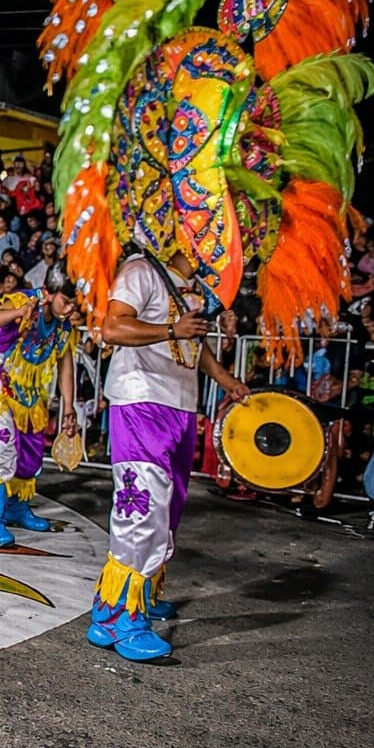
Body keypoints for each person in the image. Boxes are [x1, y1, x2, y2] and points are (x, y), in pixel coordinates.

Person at [89, 250, 248, 660]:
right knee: (142, 508)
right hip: (141, 401)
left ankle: (137, 595)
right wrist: (171, 330)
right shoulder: (141, 271)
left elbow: (194, 345)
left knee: (169, 507)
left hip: (179, 405)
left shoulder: (193, 289)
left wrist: (227, 380)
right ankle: (119, 617)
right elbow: (112, 327)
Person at [0, 263, 80, 546]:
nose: (69, 309)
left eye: (74, 304)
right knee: (1, 452)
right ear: (47, 292)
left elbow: (65, 363)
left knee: (30, 456)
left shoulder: (65, 325)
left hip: (29, 392)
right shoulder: (20, 302)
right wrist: (18, 315)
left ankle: (17, 508)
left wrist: (69, 407)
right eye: (65, 302)